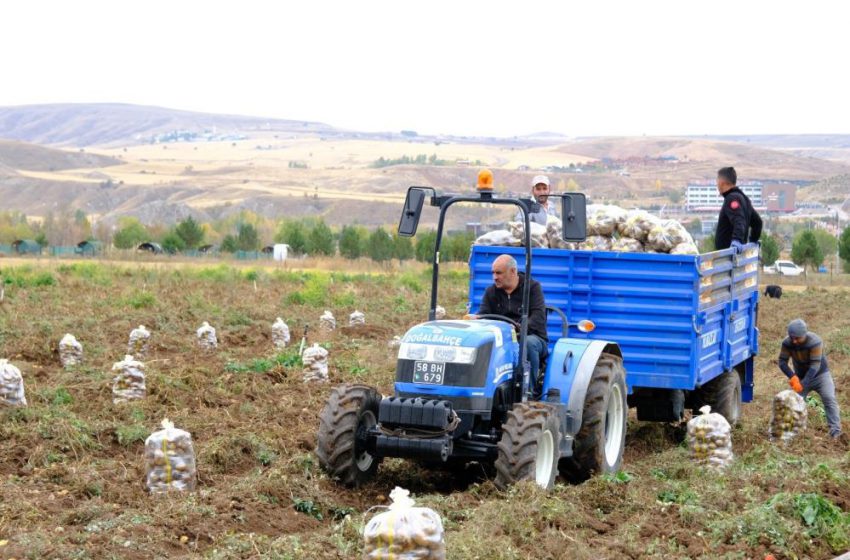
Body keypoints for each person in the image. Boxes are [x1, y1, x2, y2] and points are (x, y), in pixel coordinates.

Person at [467, 254, 548, 388]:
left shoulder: (532, 288)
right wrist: (476, 319)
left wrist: (517, 328)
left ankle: (528, 393)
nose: (495, 277)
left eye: (499, 273)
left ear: (513, 271)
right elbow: (483, 315)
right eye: (493, 273)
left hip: (532, 337)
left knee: (527, 344)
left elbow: (538, 318)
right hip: (503, 338)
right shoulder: (491, 291)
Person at [778, 319, 844, 441]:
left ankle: (835, 432)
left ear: (804, 334)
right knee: (793, 402)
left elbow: (815, 366)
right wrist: (792, 377)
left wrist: (803, 383)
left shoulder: (815, 342)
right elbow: (782, 362)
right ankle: (790, 434)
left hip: (820, 376)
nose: (794, 341)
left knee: (829, 398)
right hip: (800, 376)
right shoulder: (787, 343)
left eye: (797, 338)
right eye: (792, 337)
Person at [714, 166, 762, 252]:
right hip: (737, 256)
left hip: (728, 257)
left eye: (717, 181)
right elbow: (757, 223)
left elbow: (739, 220)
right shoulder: (743, 199)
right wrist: (753, 241)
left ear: (722, 182)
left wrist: (736, 241)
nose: (717, 185)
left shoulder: (731, 198)